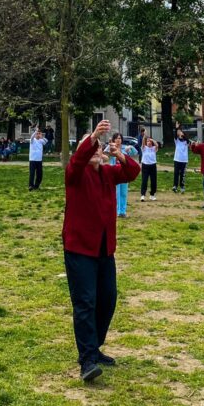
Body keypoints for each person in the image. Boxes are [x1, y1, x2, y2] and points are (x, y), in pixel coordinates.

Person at [63, 119, 140, 381]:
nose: (96, 150)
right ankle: (87, 360)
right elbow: (77, 160)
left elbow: (131, 172)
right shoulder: (75, 174)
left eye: (99, 147)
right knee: (85, 303)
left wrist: (119, 154)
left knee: (107, 300)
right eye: (91, 146)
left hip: (104, 249)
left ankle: (94, 346)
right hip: (79, 248)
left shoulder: (107, 174)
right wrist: (93, 136)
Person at [105, 132, 139, 216]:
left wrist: (131, 147)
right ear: (114, 139)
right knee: (116, 192)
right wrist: (111, 147)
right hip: (114, 172)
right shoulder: (111, 147)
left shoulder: (125, 148)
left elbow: (135, 153)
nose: (118, 140)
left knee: (123, 192)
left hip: (124, 172)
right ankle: (116, 211)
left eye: (119, 138)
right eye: (116, 138)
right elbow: (105, 153)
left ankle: (122, 211)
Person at [139, 136, 160, 201]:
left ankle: (152, 195)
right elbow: (143, 142)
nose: (149, 142)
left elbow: (157, 145)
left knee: (153, 181)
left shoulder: (154, 148)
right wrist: (144, 137)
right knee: (144, 181)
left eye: (150, 141)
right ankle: (142, 195)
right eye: (148, 141)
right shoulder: (144, 148)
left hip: (153, 166)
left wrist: (152, 140)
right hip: (145, 166)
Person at [28, 126, 48, 190]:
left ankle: (36, 186)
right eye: (37, 134)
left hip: (39, 160)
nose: (38, 135)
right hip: (32, 159)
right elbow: (31, 137)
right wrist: (36, 131)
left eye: (39, 133)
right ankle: (31, 186)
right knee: (32, 173)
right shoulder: (32, 140)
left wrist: (42, 137)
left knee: (39, 174)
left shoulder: (41, 141)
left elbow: (46, 141)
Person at [172, 125, 189, 193]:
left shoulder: (186, 142)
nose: (180, 134)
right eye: (179, 133)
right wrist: (176, 129)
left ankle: (182, 187)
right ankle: (175, 186)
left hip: (184, 160)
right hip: (177, 159)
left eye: (181, 133)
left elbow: (187, 139)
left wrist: (182, 135)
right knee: (176, 173)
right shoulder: (177, 141)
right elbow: (175, 135)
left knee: (182, 174)